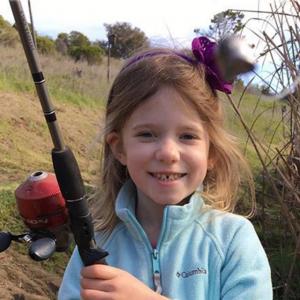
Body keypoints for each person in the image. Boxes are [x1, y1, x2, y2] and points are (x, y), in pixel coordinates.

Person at [58, 36, 272, 300]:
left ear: (211, 152)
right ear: (119, 148)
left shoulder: (232, 239)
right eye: (147, 134)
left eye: (187, 136)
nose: (168, 153)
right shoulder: (96, 242)